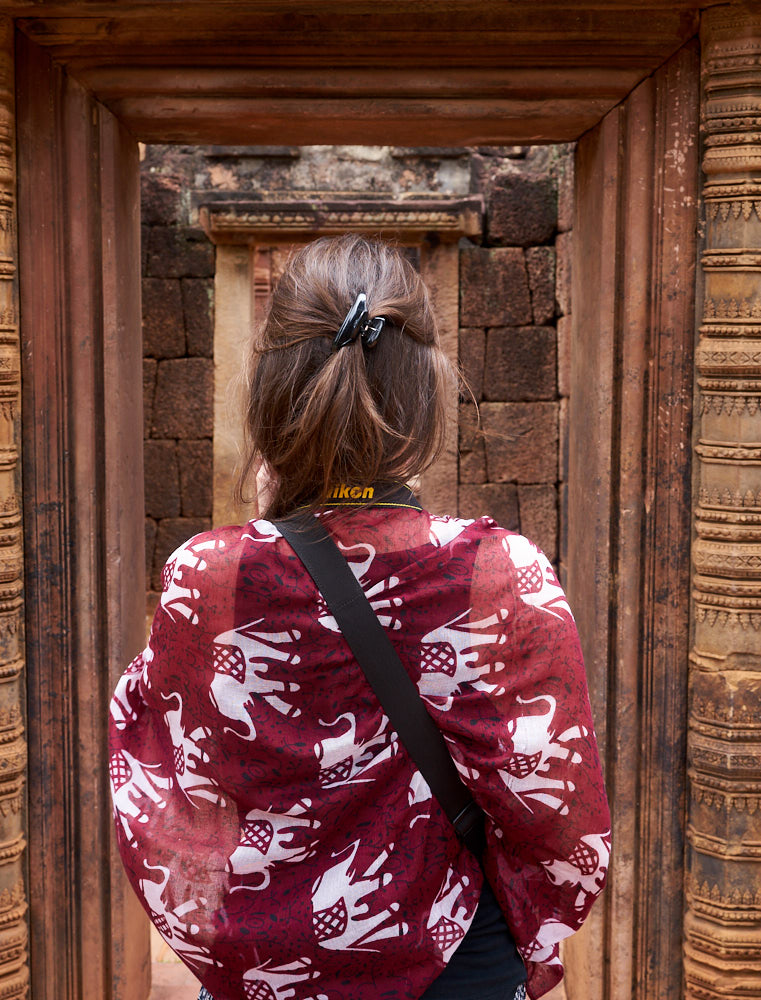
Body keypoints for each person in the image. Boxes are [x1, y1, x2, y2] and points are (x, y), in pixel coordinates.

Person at [110, 234, 611, 1000]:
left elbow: (158, 769)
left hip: (263, 964)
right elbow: (558, 815)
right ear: (426, 394)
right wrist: (533, 935)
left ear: (269, 390)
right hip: (457, 961)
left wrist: (270, 530)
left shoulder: (203, 574)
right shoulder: (505, 574)